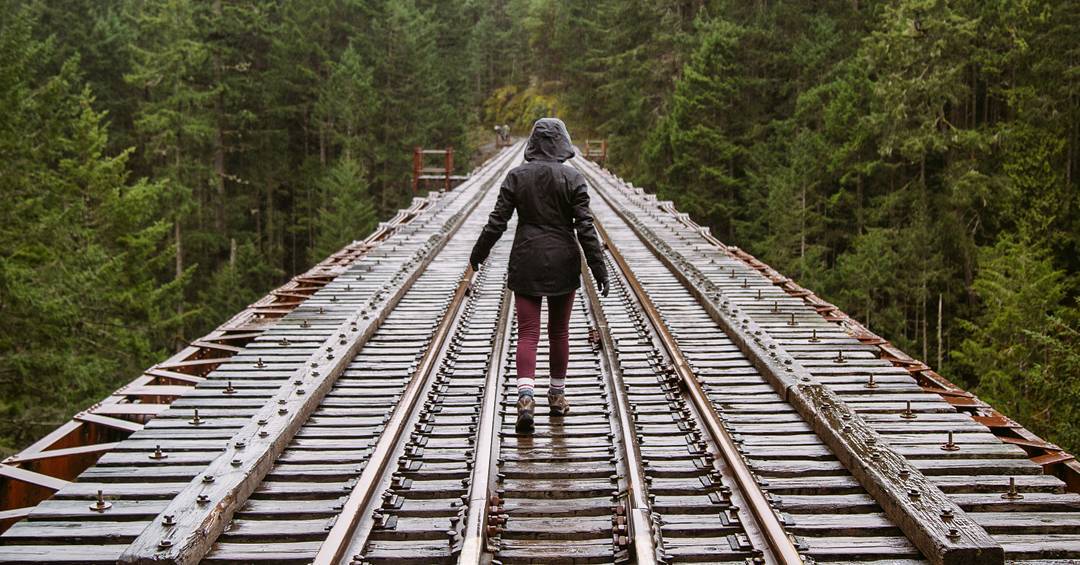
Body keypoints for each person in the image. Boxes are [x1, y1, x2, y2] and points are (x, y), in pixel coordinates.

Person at [469, 118, 608, 435]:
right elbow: (586, 228)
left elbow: (497, 222)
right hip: (563, 260)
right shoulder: (574, 178)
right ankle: (557, 397)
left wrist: (478, 254)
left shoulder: (516, 176)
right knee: (559, 332)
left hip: (526, 259)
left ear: (532, 144)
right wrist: (598, 268)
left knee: (528, 332)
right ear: (562, 144)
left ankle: (526, 398)